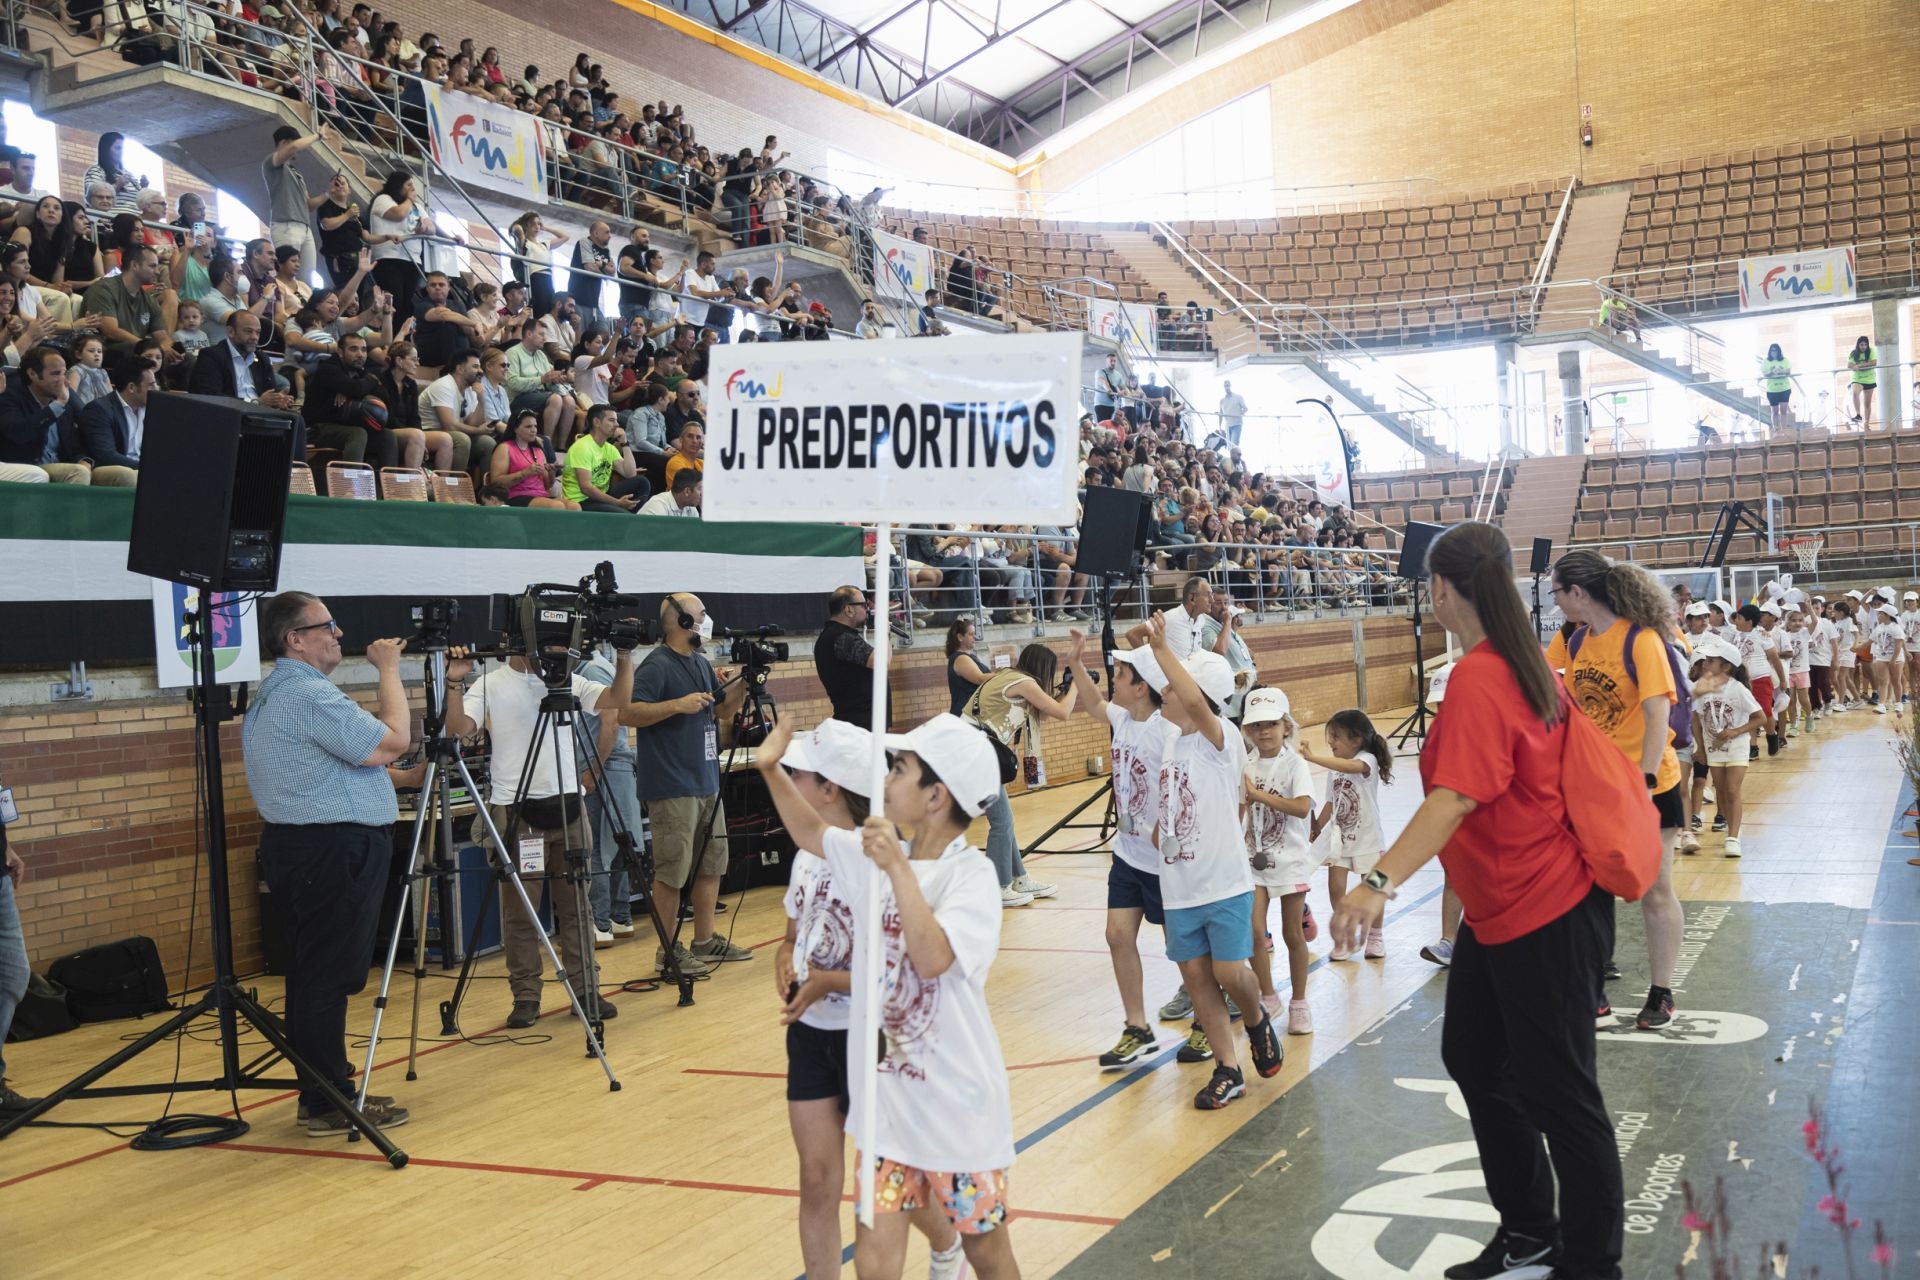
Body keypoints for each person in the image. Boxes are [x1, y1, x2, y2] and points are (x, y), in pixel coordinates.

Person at [1330, 520, 1625, 1280]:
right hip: (1503, 914)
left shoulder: (1485, 676)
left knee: (1563, 1098)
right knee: (1473, 1055)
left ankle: (1592, 1266)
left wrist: (1375, 883)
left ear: (1438, 589)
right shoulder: (1512, 664)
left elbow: (1456, 797)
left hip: (1546, 913)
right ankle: (1530, 1235)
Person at [754, 712, 1017, 1280]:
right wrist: (769, 768)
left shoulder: (970, 877)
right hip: (889, 1105)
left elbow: (932, 958)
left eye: (899, 769)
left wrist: (897, 867)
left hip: (957, 1108)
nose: (886, 779)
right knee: (874, 1261)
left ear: (935, 796)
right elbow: (809, 832)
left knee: (988, 1256)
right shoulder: (870, 858)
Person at [241, 592, 413, 1136]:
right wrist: (389, 669)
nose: (338, 633)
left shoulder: (278, 692)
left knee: (314, 973)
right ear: (295, 639)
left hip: (305, 847)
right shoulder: (309, 694)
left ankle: (323, 1092)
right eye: (327, 625)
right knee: (326, 977)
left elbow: (336, 766)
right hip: (330, 849)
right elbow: (393, 742)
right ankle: (328, 1101)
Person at [443, 637, 633, 1029]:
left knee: (577, 908)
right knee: (521, 912)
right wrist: (454, 684)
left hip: (569, 808)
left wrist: (626, 654)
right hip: (518, 812)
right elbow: (459, 729)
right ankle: (526, 996)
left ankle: (586, 990)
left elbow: (617, 700)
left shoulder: (567, 681)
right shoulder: (492, 684)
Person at [1140, 617, 1284, 1109]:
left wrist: (1162, 648)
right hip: (1179, 886)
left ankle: (1256, 1017)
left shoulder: (1220, 739)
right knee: (1198, 978)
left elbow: (1198, 704)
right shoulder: (1170, 741)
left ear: (1197, 694)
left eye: (1173, 685)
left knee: (1229, 971)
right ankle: (1228, 1068)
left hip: (1223, 883)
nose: (1164, 690)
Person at [1546, 549, 1686, 1030]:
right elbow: (1561, 697)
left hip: (1649, 784)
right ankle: (1593, 991)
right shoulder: (1576, 640)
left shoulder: (1641, 640)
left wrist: (1643, 781)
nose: (1555, 601)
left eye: (1557, 592)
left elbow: (1657, 714)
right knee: (1589, 891)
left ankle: (1662, 992)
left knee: (1655, 889)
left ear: (1577, 592)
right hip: (1594, 785)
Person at [616, 594, 752, 977]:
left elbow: (722, 709)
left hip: (706, 780)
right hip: (672, 785)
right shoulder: (657, 665)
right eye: (702, 613)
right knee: (673, 870)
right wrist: (677, 704)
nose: (708, 619)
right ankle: (667, 951)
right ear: (682, 621)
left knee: (712, 863)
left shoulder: (700, 663)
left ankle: (705, 940)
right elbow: (628, 713)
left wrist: (744, 682)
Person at [1064, 633, 1178, 1067]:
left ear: (1142, 686)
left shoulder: (1166, 731)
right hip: (1127, 855)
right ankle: (1137, 1027)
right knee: (1117, 935)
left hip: (1163, 862)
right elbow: (1094, 703)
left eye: (1122, 674)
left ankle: (1207, 1019)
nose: (1114, 679)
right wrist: (1076, 663)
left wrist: (1166, 826)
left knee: (1180, 949)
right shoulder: (1124, 719)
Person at [956, 644, 1072, 908]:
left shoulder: (1010, 676)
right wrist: (1077, 684)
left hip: (974, 746)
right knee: (1002, 822)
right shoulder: (1024, 682)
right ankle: (998, 886)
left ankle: (1019, 879)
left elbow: (1046, 710)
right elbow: (1062, 712)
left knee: (1004, 819)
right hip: (975, 750)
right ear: (1043, 668)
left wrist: (1065, 690)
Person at [1240, 687, 1319, 1036]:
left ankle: (1300, 1002)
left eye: (1271, 724)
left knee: (1291, 933)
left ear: (1286, 726)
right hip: (1252, 860)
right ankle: (1268, 995)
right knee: (1253, 931)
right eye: (1256, 726)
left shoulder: (1295, 764)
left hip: (1290, 860)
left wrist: (1258, 796)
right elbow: (1239, 808)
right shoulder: (1245, 765)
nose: (1264, 732)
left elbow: (1302, 807)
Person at [1299, 709, 1392, 962]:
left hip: (1370, 841)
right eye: (1329, 736)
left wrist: (1313, 757)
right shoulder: (1335, 768)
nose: (1330, 741)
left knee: (1376, 887)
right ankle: (1344, 936)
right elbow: (1330, 803)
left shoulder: (1367, 759)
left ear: (1357, 739)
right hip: (1339, 842)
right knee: (1335, 887)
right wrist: (1316, 828)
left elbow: (1353, 767)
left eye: (1336, 736)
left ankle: (1376, 935)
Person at [1687, 637, 1763, 858]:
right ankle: (1731, 828)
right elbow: (1696, 720)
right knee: (1720, 791)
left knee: (1731, 790)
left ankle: (1733, 837)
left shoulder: (1737, 689)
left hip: (1737, 746)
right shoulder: (1701, 688)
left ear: (1726, 666)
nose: (1705, 663)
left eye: (1711, 661)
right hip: (1714, 749)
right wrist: (1700, 748)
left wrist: (1736, 731)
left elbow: (1760, 717)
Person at [814, 585, 889, 729]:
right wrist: (884, 632)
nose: (868, 609)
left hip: (861, 722)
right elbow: (881, 661)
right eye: (863, 605)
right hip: (859, 724)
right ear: (849, 609)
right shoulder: (841, 637)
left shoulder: (838, 635)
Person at [561, 403, 647, 512]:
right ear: (597, 422)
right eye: (611, 420)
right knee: (623, 515)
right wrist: (617, 503)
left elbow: (630, 474)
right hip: (582, 501)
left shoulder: (609, 448)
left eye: (616, 421)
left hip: (601, 497)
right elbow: (586, 488)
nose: (617, 424)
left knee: (641, 482)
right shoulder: (582, 447)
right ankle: (628, 517)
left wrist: (625, 443)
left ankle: (631, 516)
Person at [263, 128, 326, 269]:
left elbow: (308, 205)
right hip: (286, 225)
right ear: (284, 143)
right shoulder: (271, 162)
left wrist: (329, 194)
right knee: (287, 272)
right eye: (294, 142)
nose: (298, 150)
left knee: (307, 278)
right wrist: (318, 136)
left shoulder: (296, 172)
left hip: (304, 226)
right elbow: (294, 147)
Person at [1761, 343, 1792, 433]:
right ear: (1770, 352)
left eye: (1776, 350)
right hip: (1772, 390)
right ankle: (1776, 429)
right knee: (1774, 411)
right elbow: (1764, 374)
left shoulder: (1785, 360)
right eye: (1772, 350)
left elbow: (1788, 371)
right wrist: (1772, 372)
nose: (1774, 352)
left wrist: (1781, 371)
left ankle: (1784, 430)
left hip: (1784, 389)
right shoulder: (1766, 361)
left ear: (1779, 351)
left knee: (1783, 411)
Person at [1847, 335, 1876, 430]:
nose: (1863, 347)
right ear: (1858, 345)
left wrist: (1859, 366)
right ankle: (1858, 414)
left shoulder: (1871, 351)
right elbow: (1849, 365)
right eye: (1861, 345)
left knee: (1867, 403)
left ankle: (1866, 423)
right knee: (1855, 393)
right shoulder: (1853, 353)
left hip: (1869, 379)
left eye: (1865, 345)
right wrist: (1857, 366)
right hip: (1857, 378)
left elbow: (1874, 363)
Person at [1217, 381, 1247, 446]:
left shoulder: (1238, 397)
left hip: (1237, 424)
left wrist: (1240, 414)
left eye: (1228, 385)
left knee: (1234, 445)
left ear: (1230, 386)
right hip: (1227, 426)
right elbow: (1220, 414)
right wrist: (1220, 427)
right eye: (1225, 386)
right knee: (1229, 446)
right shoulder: (1222, 400)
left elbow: (1245, 408)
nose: (1227, 387)